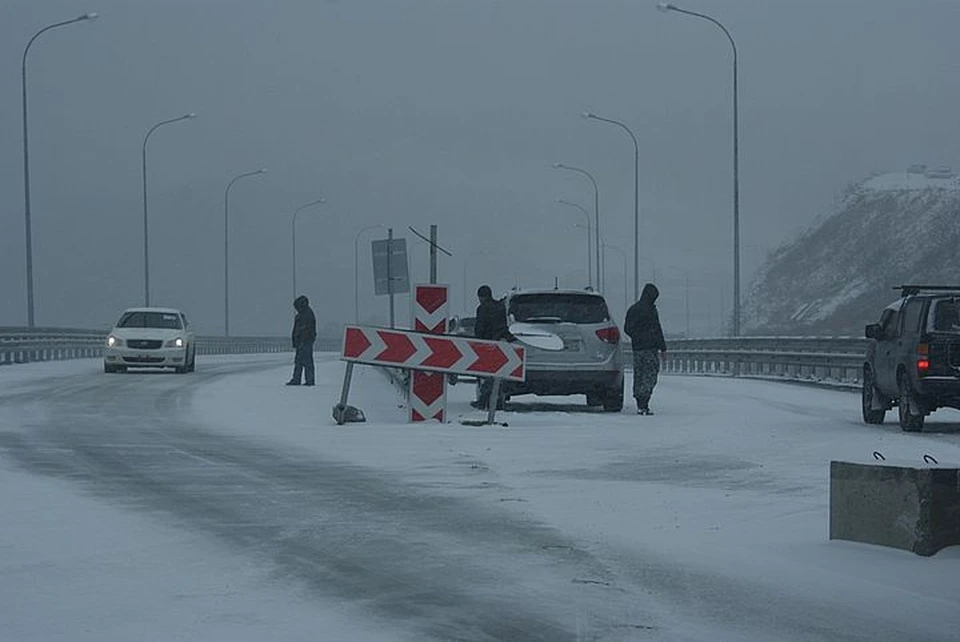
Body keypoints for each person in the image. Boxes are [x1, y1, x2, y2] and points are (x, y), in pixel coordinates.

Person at [624, 283, 667, 415]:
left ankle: (639, 402)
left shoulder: (633, 309)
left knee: (640, 374)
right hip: (650, 349)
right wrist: (663, 348)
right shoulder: (651, 310)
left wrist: (636, 337)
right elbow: (657, 329)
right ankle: (644, 402)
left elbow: (627, 328)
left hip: (637, 349)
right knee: (650, 375)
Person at [470, 285, 510, 410]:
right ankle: (497, 400)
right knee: (497, 374)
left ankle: (483, 401)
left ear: (481, 297)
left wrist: (478, 342)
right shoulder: (500, 307)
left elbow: (480, 328)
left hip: (486, 344)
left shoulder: (482, 309)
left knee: (486, 374)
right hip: (500, 343)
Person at [287, 295, 317, 386]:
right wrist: (295, 341)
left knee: (307, 361)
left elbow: (306, 330)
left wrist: (303, 341)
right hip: (301, 342)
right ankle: (297, 379)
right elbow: (297, 330)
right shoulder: (301, 315)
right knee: (299, 361)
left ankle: (309, 380)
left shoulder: (308, 315)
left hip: (305, 342)